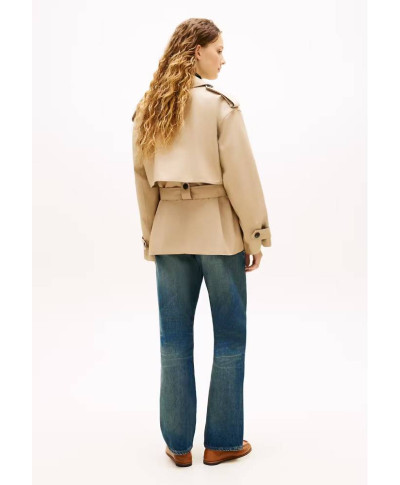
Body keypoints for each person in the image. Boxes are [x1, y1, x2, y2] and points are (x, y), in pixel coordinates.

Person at [131, 18, 272, 467]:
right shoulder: (221, 107)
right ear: (197, 52)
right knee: (229, 336)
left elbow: (142, 181)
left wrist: (152, 236)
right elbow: (241, 177)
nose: (223, 59)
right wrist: (254, 235)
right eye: (218, 50)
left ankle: (178, 446)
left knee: (173, 340)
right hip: (219, 234)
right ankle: (222, 442)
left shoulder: (150, 107)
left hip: (170, 232)